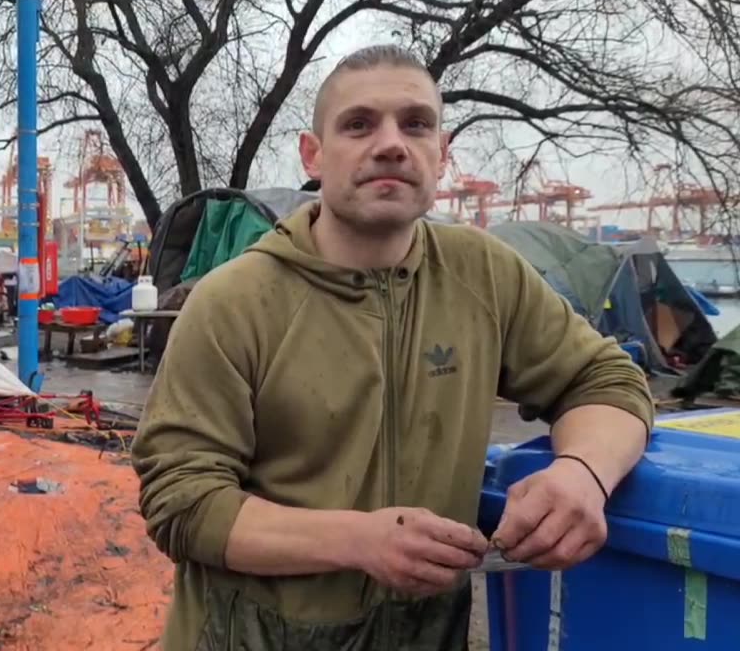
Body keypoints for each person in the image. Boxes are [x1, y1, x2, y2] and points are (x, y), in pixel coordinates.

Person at [130, 44, 653, 650]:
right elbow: (182, 501)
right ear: (314, 154)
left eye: (416, 124)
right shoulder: (233, 301)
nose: (391, 144)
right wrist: (358, 541)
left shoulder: (484, 276)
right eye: (358, 124)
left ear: (442, 152)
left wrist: (583, 472)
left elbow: (605, 378)